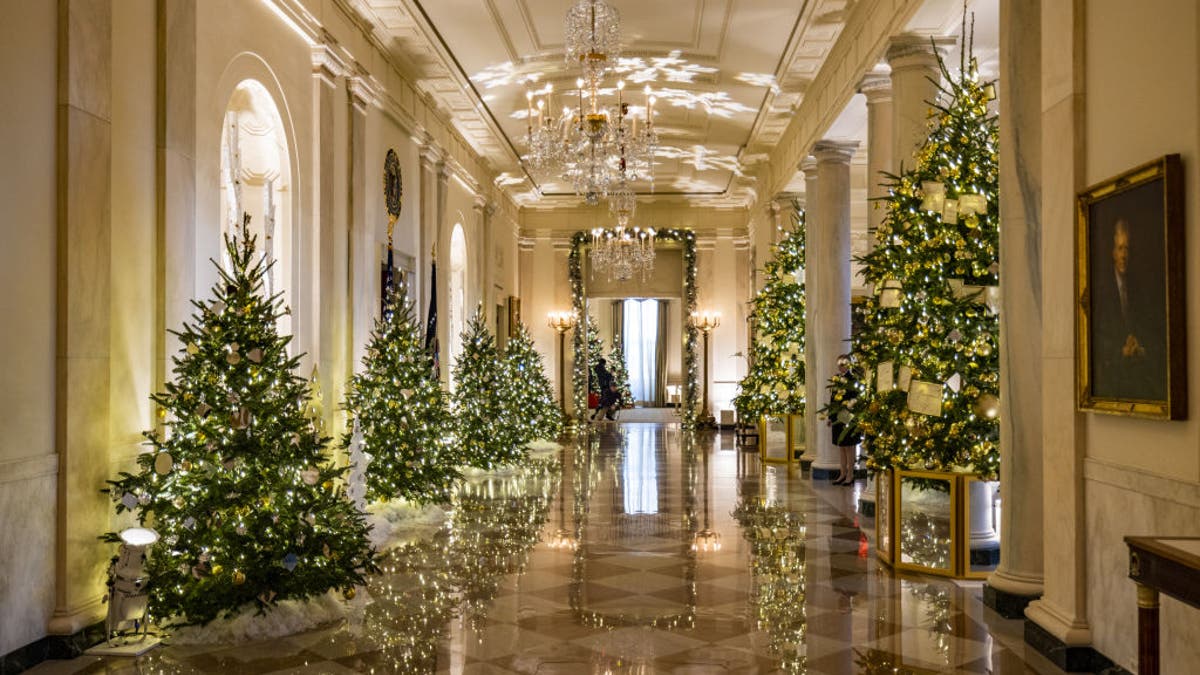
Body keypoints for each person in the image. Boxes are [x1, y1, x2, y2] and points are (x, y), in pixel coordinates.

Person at [1091, 218, 1164, 401]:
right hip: (1111, 378)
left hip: (1136, 372)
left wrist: (1138, 344)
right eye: (1119, 248)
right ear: (1112, 252)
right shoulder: (1101, 290)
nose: (1123, 255)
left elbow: (1148, 326)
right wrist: (1120, 351)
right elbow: (1096, 339)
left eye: (1127, 249)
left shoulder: (1137, 288)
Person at [827, 356, 863, 486]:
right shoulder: (836, 379)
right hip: (837, 417)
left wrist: (849, 409)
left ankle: (850, 475)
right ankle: (842, 473)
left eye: (843, 364)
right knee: (841, 446)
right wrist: (830, 417)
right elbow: (832, 399)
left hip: (848, 417)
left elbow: (856, 398)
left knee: (849, 446)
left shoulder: (853, 380)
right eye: (839, 364)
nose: (840, 366)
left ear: (848, 365)